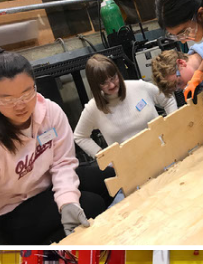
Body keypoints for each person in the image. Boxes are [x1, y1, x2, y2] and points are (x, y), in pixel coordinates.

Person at [0, 48, 106, 245]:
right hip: (13, 209)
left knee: (106, 177)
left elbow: (63, 162)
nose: (20, 105)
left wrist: (68, 200)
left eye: (27, 93)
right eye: (7, 99)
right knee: (93, 204)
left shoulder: (50, 112)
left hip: (46, 185)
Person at [72, 54, 177, 202]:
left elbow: (168, 99)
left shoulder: (139, 87)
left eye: (113, 77)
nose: (112, 85)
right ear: (95, 85)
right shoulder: (93, 108)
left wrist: (171, 129)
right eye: (104, 83)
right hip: (131, 172)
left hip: (163, 156)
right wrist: (106, 160)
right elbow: (80, 136)